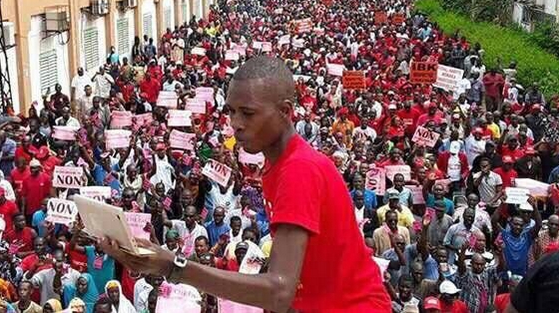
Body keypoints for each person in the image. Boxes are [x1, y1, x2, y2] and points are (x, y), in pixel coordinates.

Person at [99, 56, 391, 311]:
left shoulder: (299, 170)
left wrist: (170, 265)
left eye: (248, 113)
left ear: (286, 112)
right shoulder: (278, 166)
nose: (235, 123)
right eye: (231, 111)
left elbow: (279, 290)